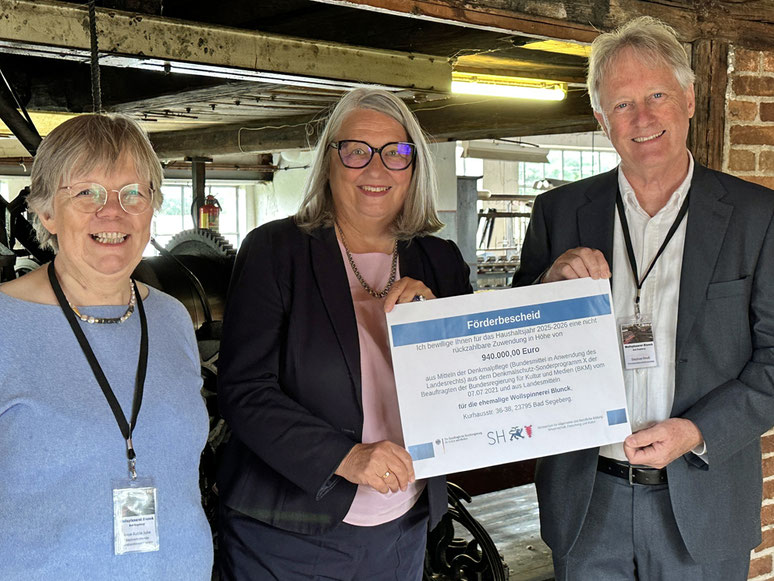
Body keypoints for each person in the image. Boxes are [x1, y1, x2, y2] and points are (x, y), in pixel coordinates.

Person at [513, 16, 774, 581]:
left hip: (703, 498)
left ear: (688, 98)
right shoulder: (559, 213)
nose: (644, 117)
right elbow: (518, 346)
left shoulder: (759, 216)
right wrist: (545, 286)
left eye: (657, 94)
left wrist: (696, 431)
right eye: (623, 104)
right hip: (586, 502)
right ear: (603, 121)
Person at [216, 87, 472, 580]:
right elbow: (245, 390)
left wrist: (439, 326)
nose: (376, 170)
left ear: (414, 167)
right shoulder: (275, 251)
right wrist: (345, 457)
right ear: (329, 162)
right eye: (356, 151)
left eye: (396, 154)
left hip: (405, 521)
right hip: (288, 531)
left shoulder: (440, 262)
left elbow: (469, 385)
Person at [0, 114, 213, 579]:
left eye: (133, 193)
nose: (112, 212)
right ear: (46, 212)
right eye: (86, 192)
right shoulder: (4, 326)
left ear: (153, 207)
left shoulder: (173, 318)